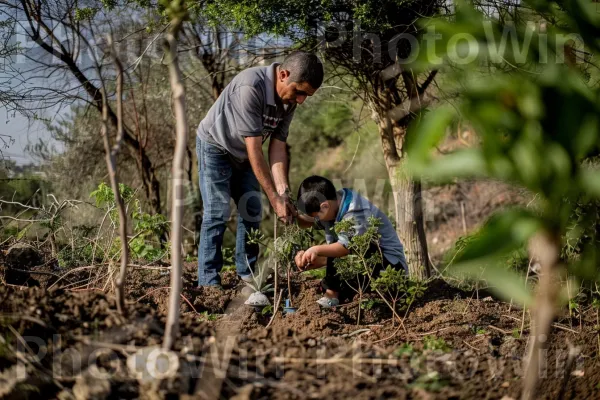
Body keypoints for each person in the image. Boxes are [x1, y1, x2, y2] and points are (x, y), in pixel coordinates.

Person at [196, 52, 324, 288]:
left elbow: (276, 148)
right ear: (283, 75)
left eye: (308, 95)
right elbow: (255, 151)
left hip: (244, 154)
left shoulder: (290, 98)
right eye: (300, 91)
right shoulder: (251, 86)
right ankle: (208, 282)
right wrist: (274, 199)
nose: (302, 100)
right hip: (216, 147)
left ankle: (246, 274)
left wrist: (283, 192)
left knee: (252, 208)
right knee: (217, 211)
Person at [293, 176, 408, 307]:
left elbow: (344, 248)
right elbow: (309, 222)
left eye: (317, 216)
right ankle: (340, 291)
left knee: (338, 247)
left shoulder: (355, 212)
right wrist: (313, 259)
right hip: (367, 263)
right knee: (337, 256)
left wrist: (316, 249)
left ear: (324, 206)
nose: (317, 220)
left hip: (390, 266)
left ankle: (331, 295)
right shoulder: (334, 204)